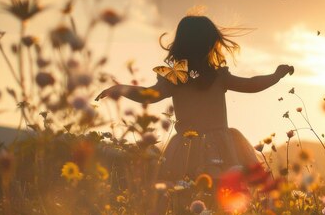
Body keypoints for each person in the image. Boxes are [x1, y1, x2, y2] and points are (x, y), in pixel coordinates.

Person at [96, 15, 294, 181]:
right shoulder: (214, 77)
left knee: (186, 194)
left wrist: (120, 89)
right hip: (220, 147)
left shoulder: (179, 77)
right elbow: (251, 85)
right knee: (220, 199)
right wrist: (275, 76)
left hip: (185, 150)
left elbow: (150, 95)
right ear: (209, 45)